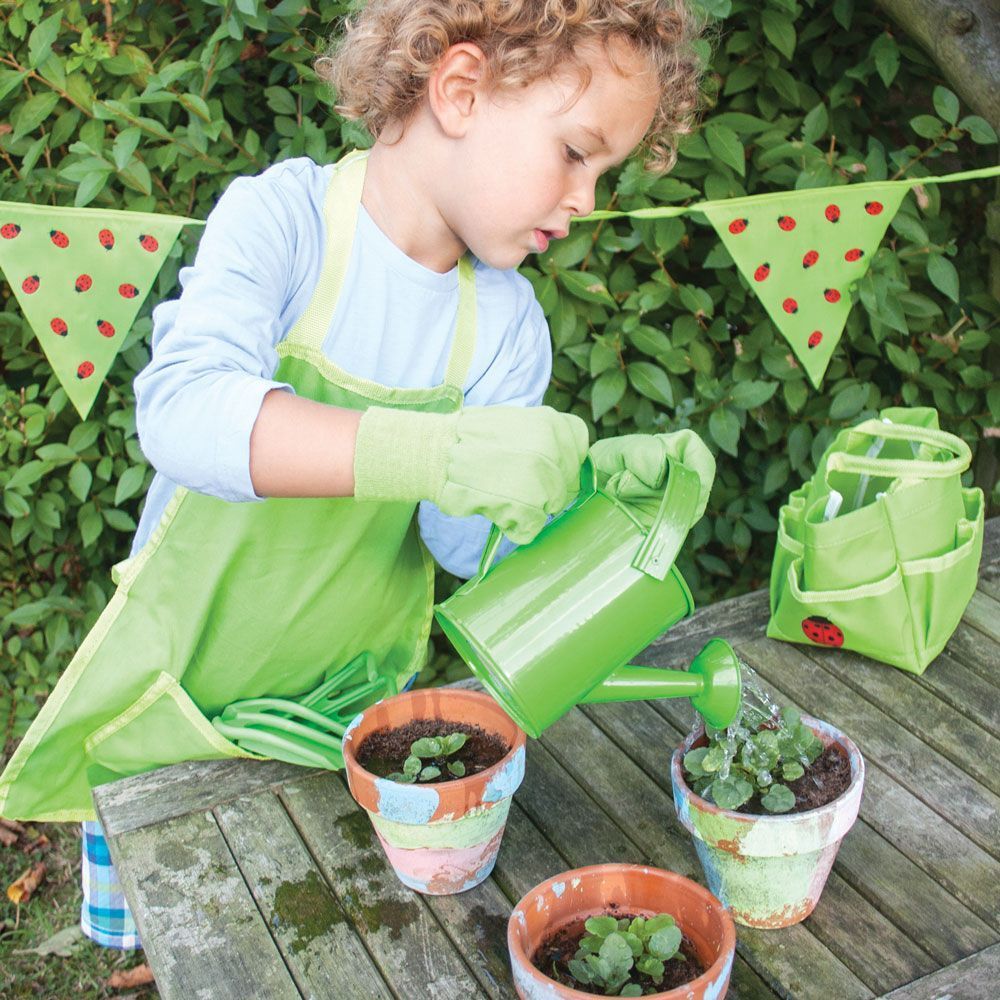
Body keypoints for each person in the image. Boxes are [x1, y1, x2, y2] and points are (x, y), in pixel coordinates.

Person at [0, 0, 715, 950]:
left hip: (352, 720)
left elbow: (469, 548)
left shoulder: (505, 328)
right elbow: (181, 411)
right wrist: (427, 449)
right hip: (178, 710)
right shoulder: (286, 222)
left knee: (316, 947)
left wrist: (583, 499)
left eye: (604, 173)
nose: (587, 200)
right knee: (177, 946)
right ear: (460, 91)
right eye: (576, 153)